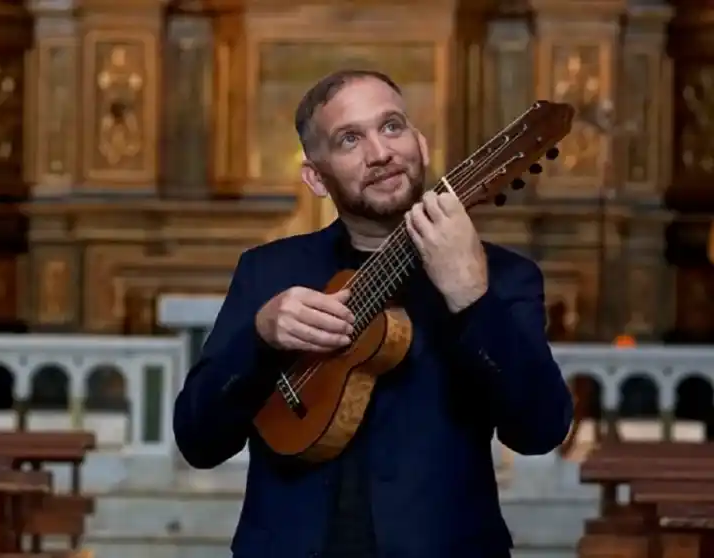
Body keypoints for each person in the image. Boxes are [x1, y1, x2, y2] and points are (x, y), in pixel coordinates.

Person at [171, 69, 574, 558]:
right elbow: (198, 441)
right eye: (349, 139)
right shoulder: (268, 271)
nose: (380, 153)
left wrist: (472, 298)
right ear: (316, 178)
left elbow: (540, 431)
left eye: (391, 127)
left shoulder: (504, 276)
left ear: (421, 145)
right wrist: (259, 337)